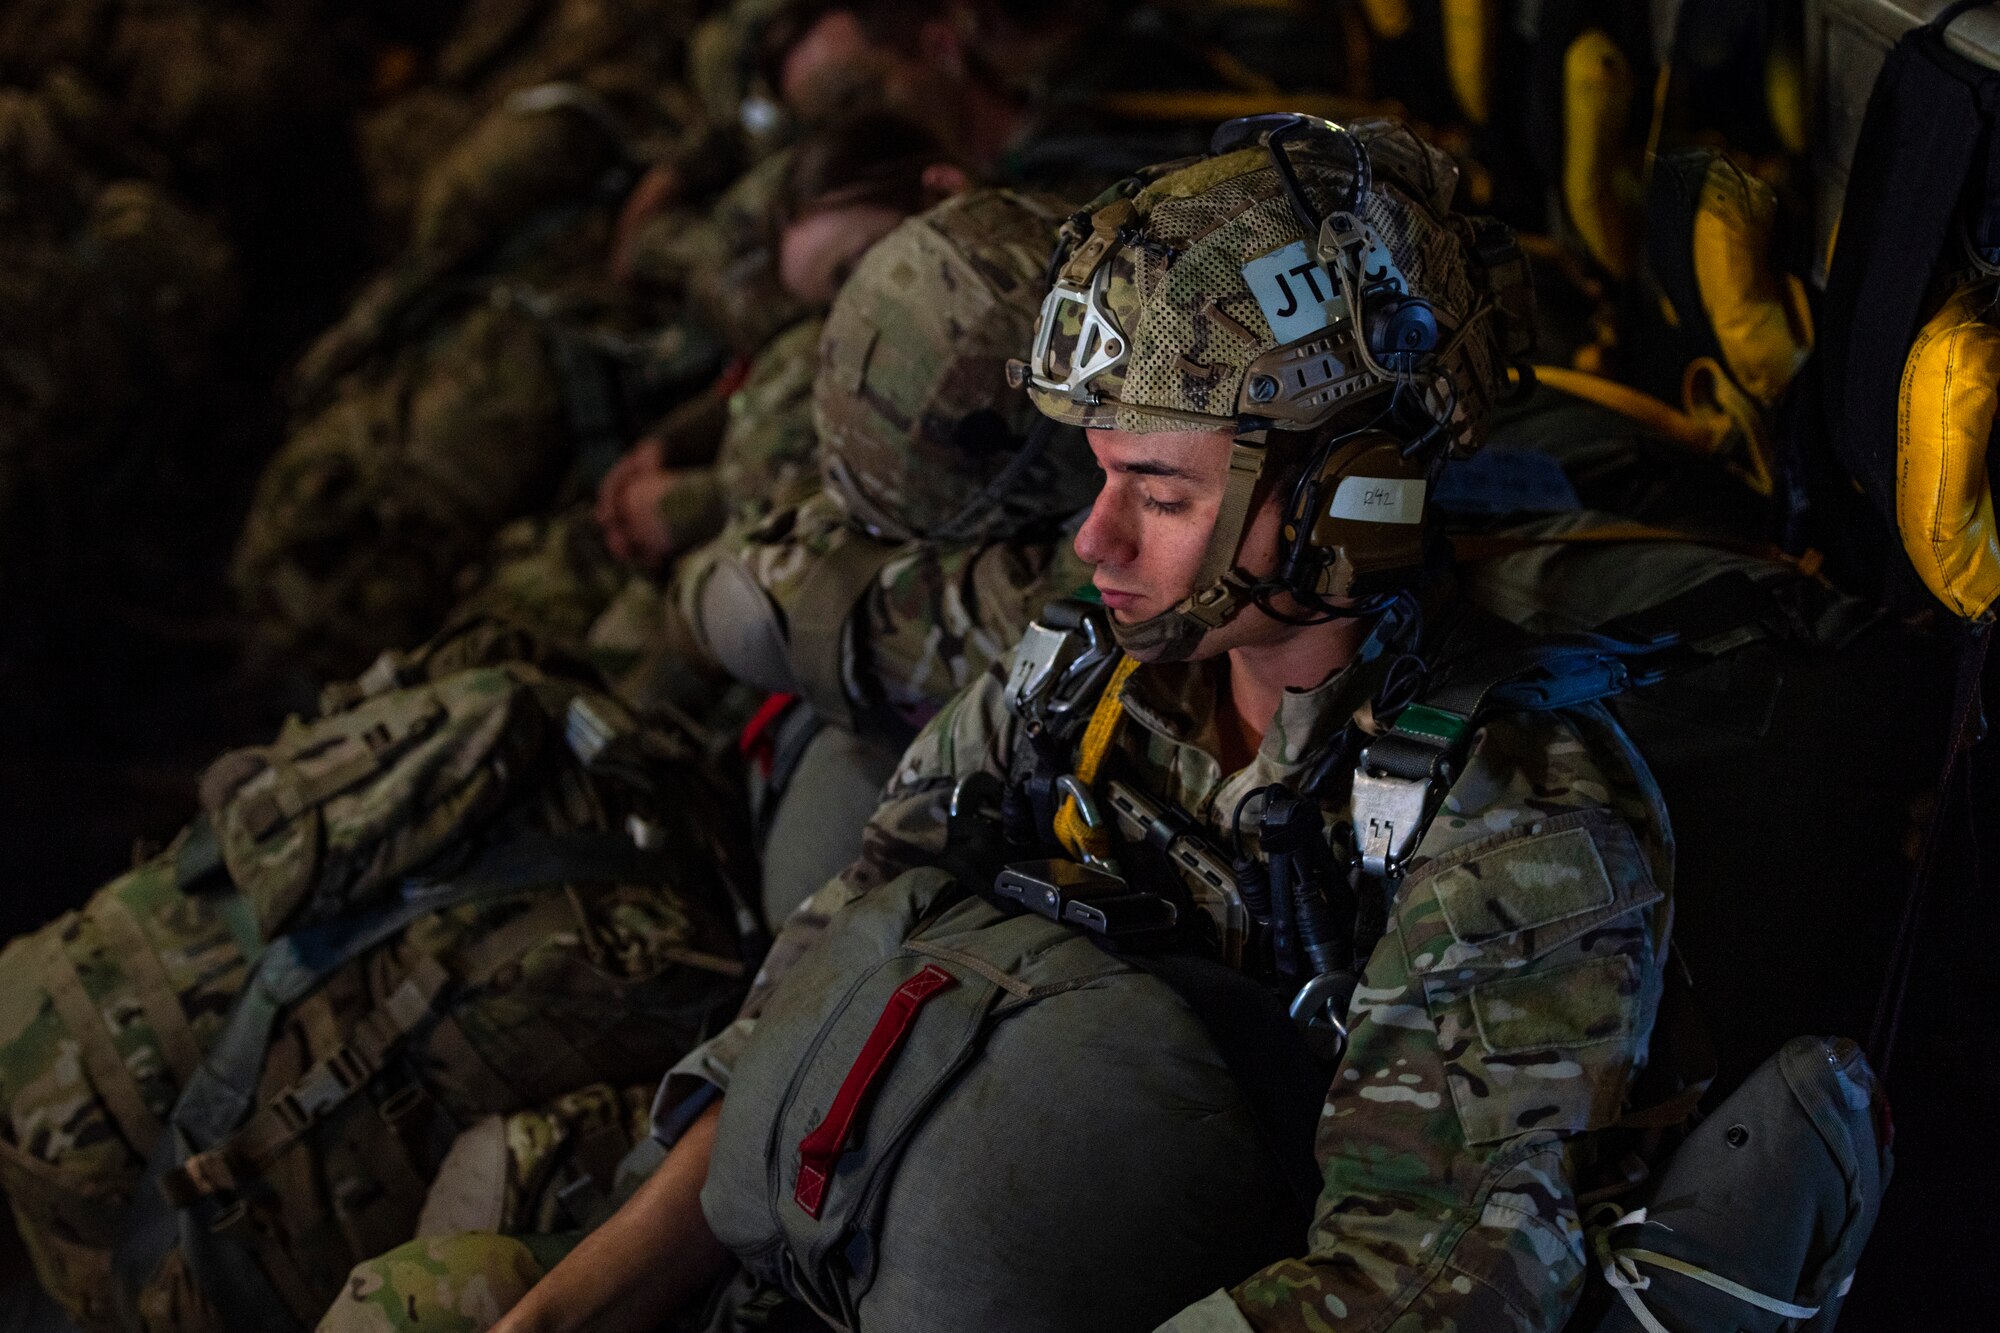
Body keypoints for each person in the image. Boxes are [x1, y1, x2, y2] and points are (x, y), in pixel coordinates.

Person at [321, 115, 1671, 1333]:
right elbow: (831, 966)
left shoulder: (1512, 827)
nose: (1093, 539)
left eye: (1160, 489)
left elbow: (1420, 1284)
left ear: (1351, 499)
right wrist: (566, 1314)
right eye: (1098, 475)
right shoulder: (1079, 676)